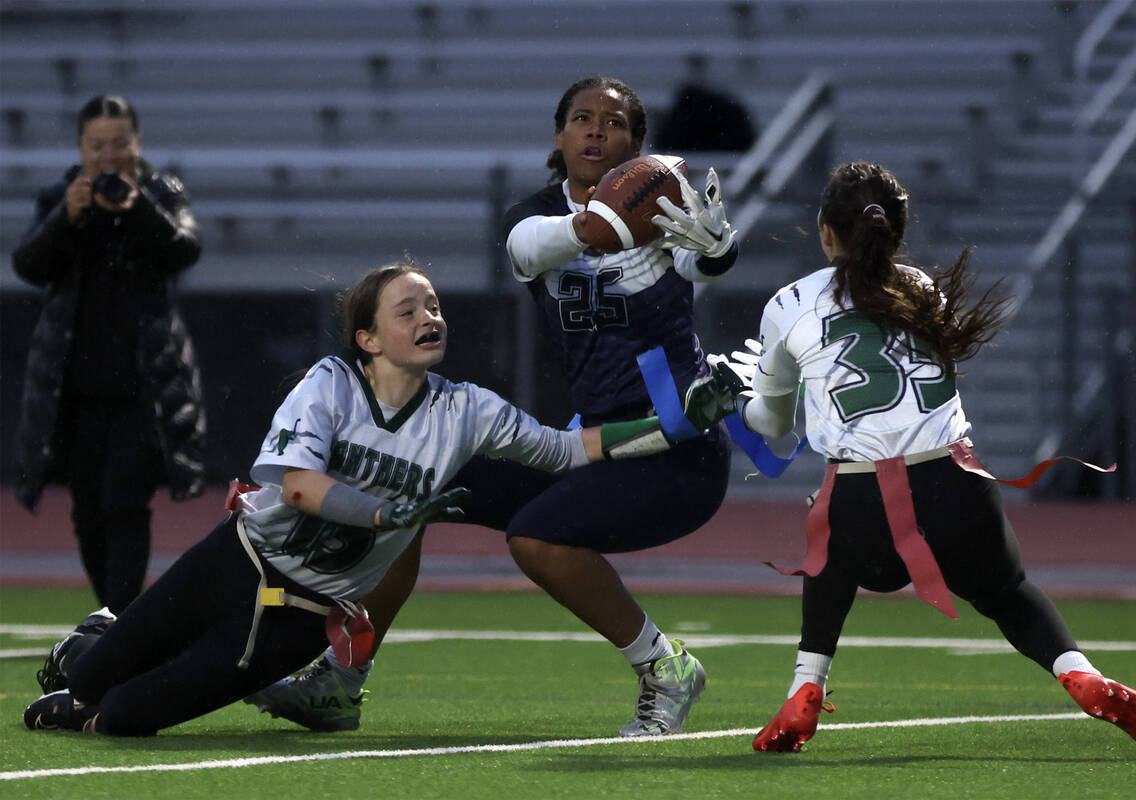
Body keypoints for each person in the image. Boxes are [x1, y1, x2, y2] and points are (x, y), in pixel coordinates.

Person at [23, 263, 729, 736]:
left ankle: (109, 667)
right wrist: (385, 513)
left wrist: (676, 421)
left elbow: (567, 449)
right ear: (368, 338)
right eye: (409, 308)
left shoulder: (469, 411)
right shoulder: (329, 383)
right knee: (91, 679)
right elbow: (296, 486)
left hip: (302, 618)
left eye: (435, 305)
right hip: (237, 562)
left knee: (119, 719)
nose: (431, 315)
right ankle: (96, 640)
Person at [246, 76, 740, 737]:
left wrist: (717, 246)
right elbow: (539, 246)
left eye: (613, 122)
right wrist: (609, 216)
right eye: (582, 119)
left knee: (537, 538)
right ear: (559, 136)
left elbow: (707, 265)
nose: (596, 130)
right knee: (414, 476)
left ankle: (666, 668)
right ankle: (344, 676)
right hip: (594, 441)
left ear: (637, 143)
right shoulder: (532, 217)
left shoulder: (666, 213)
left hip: (677, 447)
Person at [709, 161, 1136, 754]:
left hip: (865, 503)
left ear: (825, 231)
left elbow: (772, 423)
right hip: (958, 484)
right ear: (894, 232)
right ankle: (1079, 673)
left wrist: (735, 398)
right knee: (1006, 593)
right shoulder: (922, 287)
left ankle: (805, 688)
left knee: (826, 535)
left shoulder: (789, 302)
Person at [11, 94, 206, 614]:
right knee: (87, 512)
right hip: (73, 387)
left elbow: (184, 249)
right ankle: (114, 616)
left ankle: (120, 619)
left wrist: (137, 206)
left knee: (124, 503)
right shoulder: (60, 196)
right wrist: (66, 216)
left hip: (143, 386)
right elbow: (28, 264)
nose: (109, 156)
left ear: (137, 143)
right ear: (81, 147)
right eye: (98, 145)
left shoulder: (162, 192)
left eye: (120, 143)